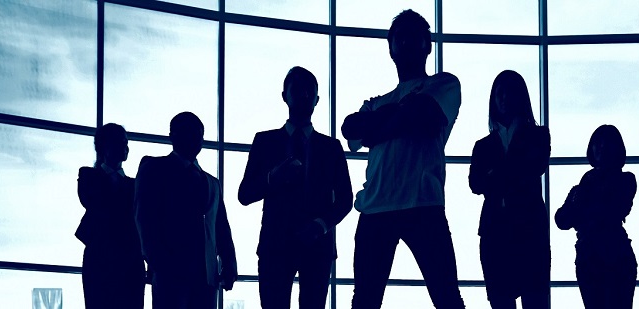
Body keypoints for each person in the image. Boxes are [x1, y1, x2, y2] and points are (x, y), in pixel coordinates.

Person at [339, 9, 465, 309]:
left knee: (446, 297)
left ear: (428, 45)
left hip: (422, 203)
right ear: (391, 48)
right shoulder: (378, 101)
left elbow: (424, 116)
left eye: (414, 36)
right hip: (377, 208)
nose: (407, 42)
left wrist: (377, 127)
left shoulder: (445, 84)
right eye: (401, 37)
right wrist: (402, 115)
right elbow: (350, 129)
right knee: (366, 300)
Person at [238, 66, 354, 309]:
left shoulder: (332, 147)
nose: (303, 96)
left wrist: (320, 226)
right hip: (276, 246)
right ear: (284, 95)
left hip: (315, 247)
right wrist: (272, 178)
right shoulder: (264, 141)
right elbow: (245, 194)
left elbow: (346, 199)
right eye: (297, 90)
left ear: (317, 99)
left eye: (308, 92)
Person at [135, 112, 238, 309]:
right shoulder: (154, 168)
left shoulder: (212, 183)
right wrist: (159, 263)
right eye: (187, 132)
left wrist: (229, 264)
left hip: (206, 276)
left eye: (198, 134)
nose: (194, 138)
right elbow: (145, 220)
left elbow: (221, 227)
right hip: (170, 272)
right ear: (172, 136)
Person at [468, 70, 551, 309]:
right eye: (499, 93)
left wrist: (494, 174)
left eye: (509, 93)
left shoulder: (538, 135)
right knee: (501, 301)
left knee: (534, 300)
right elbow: (475, 184)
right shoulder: (483, 145)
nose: (503, 98)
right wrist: (513, 170)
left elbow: (534, 168)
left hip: (529, 232)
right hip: (496, 234)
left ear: (520, 97)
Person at [554, 124, 637, 309]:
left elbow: (612, 211)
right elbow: (561, 220)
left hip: (614, 257)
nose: (601, 148)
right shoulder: (584, 185)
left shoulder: (624, 180)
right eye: (598, 143)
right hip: (589, 258)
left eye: (607, 144)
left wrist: (580, 208)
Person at [76, 123, 145, 309]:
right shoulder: (89, 177)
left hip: (129, 261)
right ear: (103, 146)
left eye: (126, 142)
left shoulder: (134, 185)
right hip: (102, 260)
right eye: (119, 142)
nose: (125, 147)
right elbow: (93, 201)